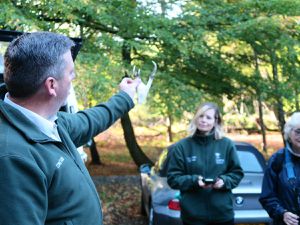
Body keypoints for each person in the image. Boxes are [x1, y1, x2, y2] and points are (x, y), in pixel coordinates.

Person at [0, 31, 140, 225]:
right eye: (71, 74)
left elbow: (91, 120)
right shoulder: (12, 158)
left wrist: (125, 97)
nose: (73, 78)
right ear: (52, 85)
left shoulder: (52, 123)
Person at [167, 102, 244, 225]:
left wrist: (224, 181)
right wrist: (194, 181)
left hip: (222, 215)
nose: (203, 120)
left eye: (208, 117)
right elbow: (173, 178)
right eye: (200, 116)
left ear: (216, 121)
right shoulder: (182, 146)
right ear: (195, 118)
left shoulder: (226, 144)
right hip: (193, 217)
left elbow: (237, 174)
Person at [260, 112, 300, 225]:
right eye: (298, 131)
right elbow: (267, 196)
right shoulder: (277, 159)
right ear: (289, 133)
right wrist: (282, 213)